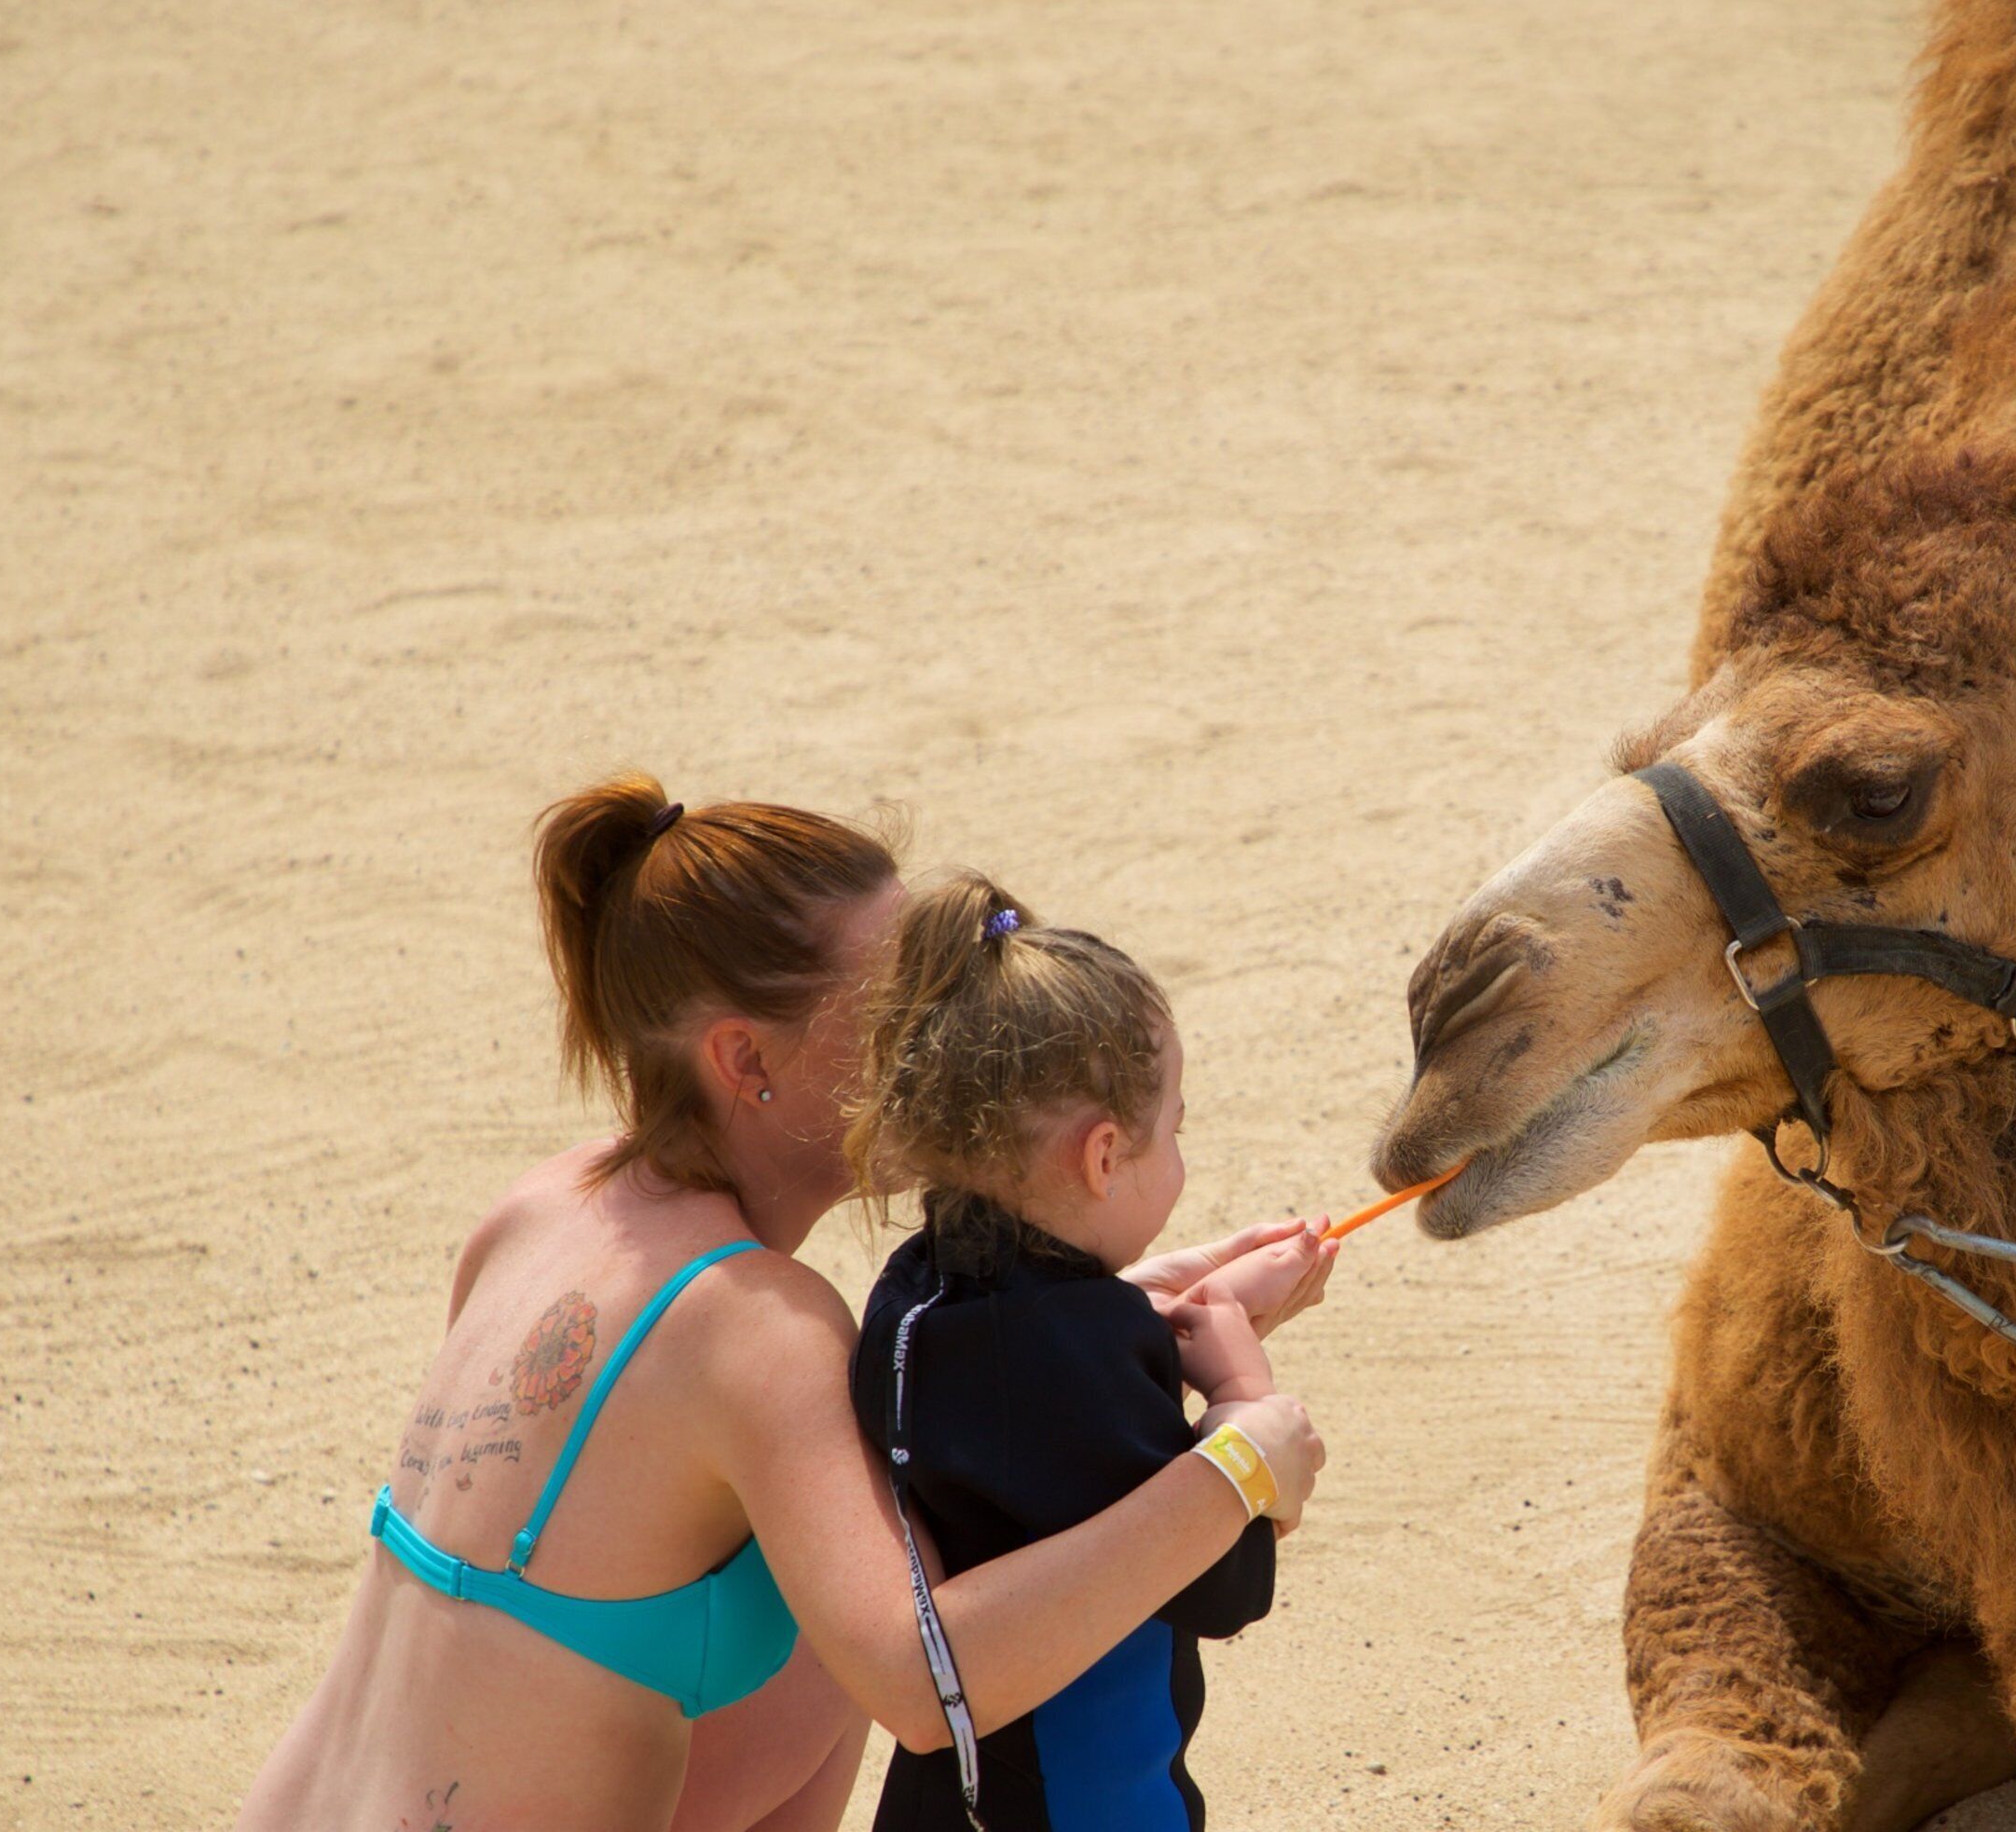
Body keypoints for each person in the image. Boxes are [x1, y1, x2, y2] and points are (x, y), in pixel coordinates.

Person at [237, 778, 1328, 1832]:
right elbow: (927, 1686)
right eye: (908, 1007)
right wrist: (1236, 1466)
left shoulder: (545, 1209)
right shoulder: (755, 1326)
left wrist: (1111, 1327)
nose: (955, 1037)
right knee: (863, 1617)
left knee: (837, 1585)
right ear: (745, 1058)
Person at [841, 874, 1342, 1832]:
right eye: (1175, 1133)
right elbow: (1223, 1583)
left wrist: (1153, 1316)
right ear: (1103, 1156)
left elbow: (1025, 1404)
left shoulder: (913, 1294)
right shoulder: (1088, 1347)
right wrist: (1241, 1397)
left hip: (946, 1800)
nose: (1182, 1160)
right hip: (1088, 1799)